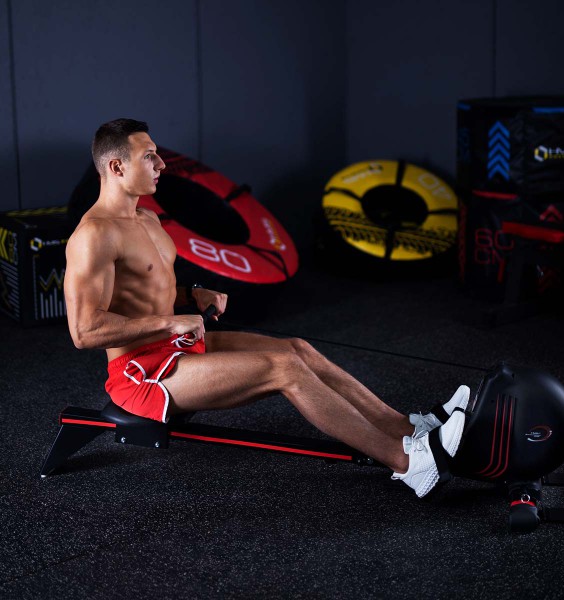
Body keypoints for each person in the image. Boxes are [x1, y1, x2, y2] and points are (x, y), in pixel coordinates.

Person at [64, 118, 468, 498]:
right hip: (141, 374)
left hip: (177, 347)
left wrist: (191, 296)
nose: (161, 164)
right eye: (149, 156)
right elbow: (85, 331)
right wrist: (169, 322)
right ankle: (409, 464)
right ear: (116, 167)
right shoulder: (95, 234)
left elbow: (144, 289)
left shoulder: (148, 219)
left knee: (298, 349)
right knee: (285, 369)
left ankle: (410, 429)